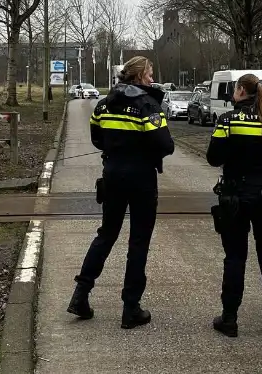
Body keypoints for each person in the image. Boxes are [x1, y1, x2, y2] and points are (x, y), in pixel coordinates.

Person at [69, 56, 174, 329]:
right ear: (139, 75)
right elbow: (165, 145)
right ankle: (131, 309)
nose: (152, 79)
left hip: (112, 174)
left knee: (106, 234)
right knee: (138, 241)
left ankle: (80, 294)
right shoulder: (147, 105)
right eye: (150, 74)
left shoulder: (104, 104)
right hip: (141, 178)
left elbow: (96, 136)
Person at [206, 73, 262, 338]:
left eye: (235, 89)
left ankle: (230, 318)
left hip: (235, 196)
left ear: (241, 91)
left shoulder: (227, 121)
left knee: (235, 258)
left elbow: (213, 158)